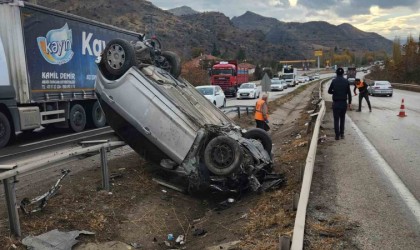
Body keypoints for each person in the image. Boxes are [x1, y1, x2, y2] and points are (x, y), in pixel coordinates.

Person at [328, 68, 352, 140]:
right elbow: (349, 94)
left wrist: (335, 92)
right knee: (342, 118)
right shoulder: (346, 81)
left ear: (336, 73)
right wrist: (349, 103)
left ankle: (337, 136)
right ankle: (342, 134)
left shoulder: (334, 81)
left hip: (336, 103)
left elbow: (329, 91)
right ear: (343, 73)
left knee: (336, 119)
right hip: (343, 103)